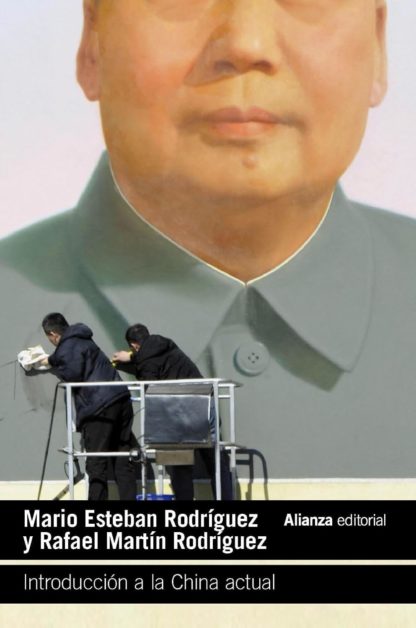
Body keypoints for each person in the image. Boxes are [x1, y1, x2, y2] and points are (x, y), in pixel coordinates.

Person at [1, 1, 416, 491]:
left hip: (143, 425)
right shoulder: (154, 350)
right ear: (93, 40)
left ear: (378, 41)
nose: (247, 45)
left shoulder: (87, 347)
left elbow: (85, 365)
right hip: (171, 425)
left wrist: (47, 363)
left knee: (128, 471)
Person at [113, 324, 232, 500]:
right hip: (204, 402)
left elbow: (150, 389)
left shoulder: (145, 360)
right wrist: (132, 357)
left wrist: (129, 359)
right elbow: (149, 355)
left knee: (179, 466)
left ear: (134, 345)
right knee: (216, 462)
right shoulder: (167, 345)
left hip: (177, 411)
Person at [41, 313, 137, 500]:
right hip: (121, 399)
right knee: (122, 458)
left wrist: (53, 364)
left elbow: (73, 373)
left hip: (99, 408)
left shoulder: (67, 346)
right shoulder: (83, 339)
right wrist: (50, 360)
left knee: (96, 462)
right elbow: (68, 357)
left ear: (53, 334)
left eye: (49, 338)